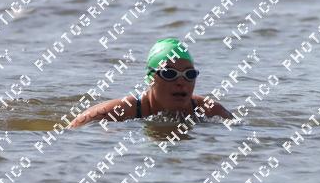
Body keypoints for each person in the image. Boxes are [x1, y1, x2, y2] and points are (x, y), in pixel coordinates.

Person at [69, 38, 232, 128]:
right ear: (150, 78)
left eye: (189, 74)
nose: (181, 82)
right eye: (169, 73)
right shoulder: (115, 112)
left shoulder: (211, 111)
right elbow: (69, 135)